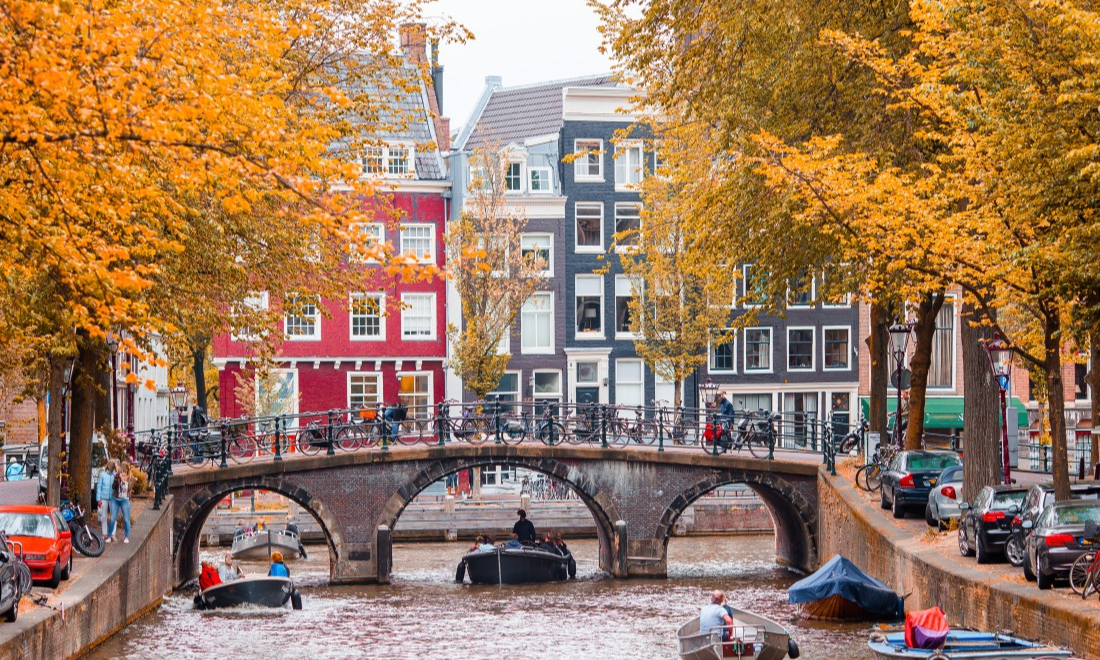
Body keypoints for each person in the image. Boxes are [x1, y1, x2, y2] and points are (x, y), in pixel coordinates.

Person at [109, 461, 133, 544]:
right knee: (112, 519)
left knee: (126, 519)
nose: (122, 473)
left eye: (124, 472)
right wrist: (117, 479)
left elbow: (129, 488)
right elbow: (113, 487)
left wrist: (124, 481)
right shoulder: (117, 476)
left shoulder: (131, 478)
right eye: (121, 472)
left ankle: (126, 536)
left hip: (125, 500)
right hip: (116, 499)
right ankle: (109, 536)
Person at [96, 460, 117, 540]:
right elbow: (99, 487)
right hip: (104, 498)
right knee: (103, 516)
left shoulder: (115, 475)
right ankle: (104, 533)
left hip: (113, 498)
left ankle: (112, 534)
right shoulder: (103, 475)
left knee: (113, 516)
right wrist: (99, 499)